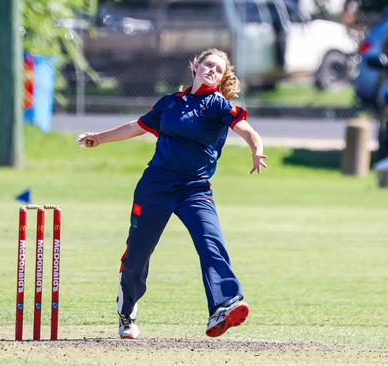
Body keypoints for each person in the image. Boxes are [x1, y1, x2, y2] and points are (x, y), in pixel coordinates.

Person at [78, 48, 267, 339]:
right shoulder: (170, 103)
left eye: (219, 69)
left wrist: (257, 150)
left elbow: (247, 130)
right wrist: (99, 139)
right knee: (137, 255)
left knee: (211, 243)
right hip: (156, 186)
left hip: (195, 190)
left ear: (222, 78)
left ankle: (224, 306)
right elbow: (136, 126)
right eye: (208, 65)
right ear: (196, 66)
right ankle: (127, 312)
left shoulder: (217, 104)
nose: (212, 71)